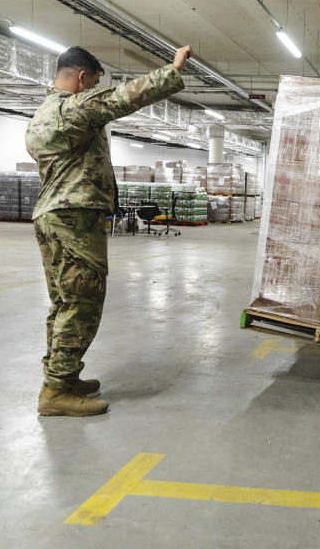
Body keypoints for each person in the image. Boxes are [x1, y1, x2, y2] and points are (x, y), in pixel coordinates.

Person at [27, 44, 191, 417]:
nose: (94, 90)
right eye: (94, 82)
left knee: (64, 301)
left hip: (53, 215)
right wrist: (173, 69)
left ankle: (62, 377)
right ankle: (55, 392)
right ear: (82, 77)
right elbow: (122, 99)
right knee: (82, 300)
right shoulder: (73, 108)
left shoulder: (42, 113)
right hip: (74, 217)